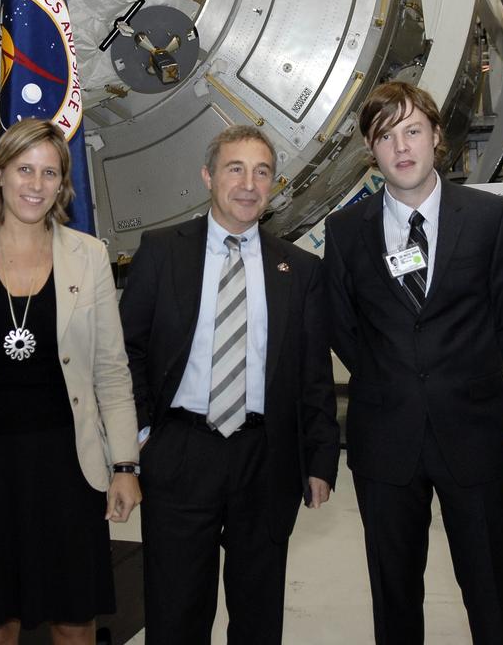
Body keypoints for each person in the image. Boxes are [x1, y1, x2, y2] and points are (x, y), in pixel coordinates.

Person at [323, 81, 503, 644]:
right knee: (394, 594)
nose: (402, 147)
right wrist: (393, 379)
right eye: (385, 135)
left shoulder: (489, 218)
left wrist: (463, 378)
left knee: (490, 589)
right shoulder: (346, 231)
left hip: (473, 434)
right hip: (386, 441)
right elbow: (342, 327)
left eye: (412, 130)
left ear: (438, 137)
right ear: (372, 149)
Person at [0, 117, 141, 645]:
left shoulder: (88, 257)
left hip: (69, 466)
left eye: (49, 173)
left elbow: (111, 371)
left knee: (74, 620)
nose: (36, 185)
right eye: (24, 169)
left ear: (63, 185)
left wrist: (125, 464)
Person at [120, 125, 339, 645]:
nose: (248, 184)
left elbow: (313, 372)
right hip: (181, 452)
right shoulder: (161, 250)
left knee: (258, 617)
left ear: (274, 184)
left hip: (266, 459)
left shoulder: (300, 269)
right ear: (208, 176)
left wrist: (321, 459)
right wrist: (144, 433)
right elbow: (127, 349)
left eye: (261, 172)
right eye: (235, 169)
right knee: (175, 615)